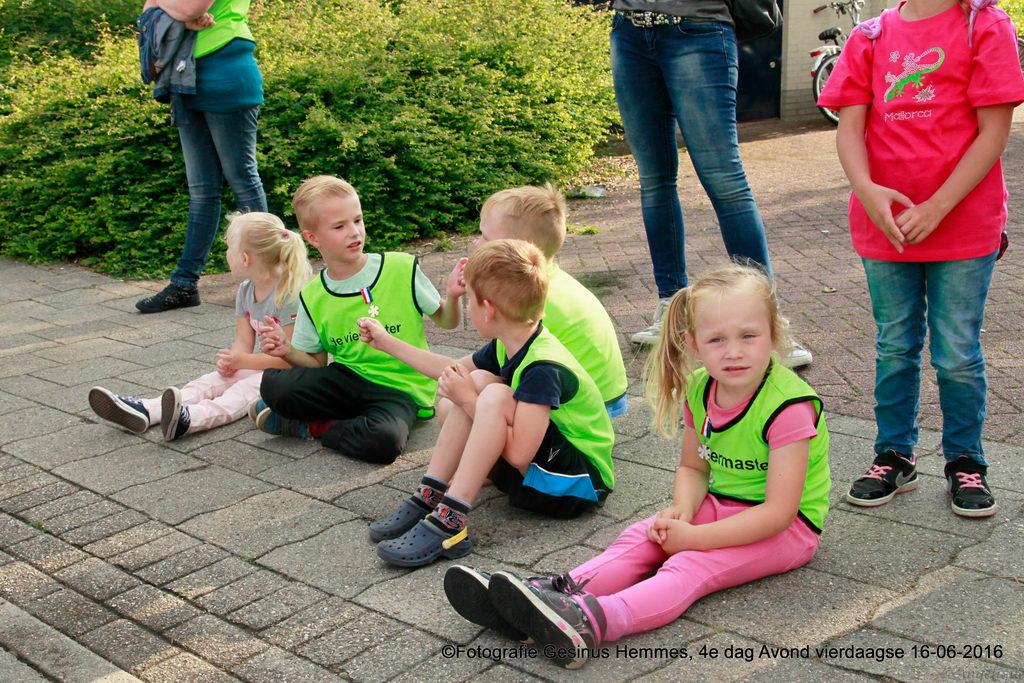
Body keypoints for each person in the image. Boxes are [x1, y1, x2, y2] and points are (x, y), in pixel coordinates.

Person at [443, 265, 830, 669]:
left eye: (748, 336)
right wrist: (682, 510)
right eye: (717, 339)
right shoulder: (701, 387)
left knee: (688, 564)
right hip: (722, 504)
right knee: (641, 537)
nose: (733, 351)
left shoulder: (788, 407)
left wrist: (695, 538)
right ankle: (554, 595)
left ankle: (593, 621)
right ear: (693, 343)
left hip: (787, 530)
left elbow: (779, 513)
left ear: (773, 334)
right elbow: (694, 469)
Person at [818, 0, 1024, 517]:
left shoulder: (985, 25)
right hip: (886, 225)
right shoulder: (869, 36)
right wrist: (867, 191)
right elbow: (849, 128)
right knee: (895, 345)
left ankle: (965, 460)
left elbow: (994, 132)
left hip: (963, 224)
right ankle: (894, 455)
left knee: (956, 352)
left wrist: (937, 207)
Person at [360, 240, 615, 568]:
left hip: (575, 487)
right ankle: (431, 491)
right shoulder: (512, 340)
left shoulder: (543, 368)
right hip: (543, 472)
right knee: (477, 380)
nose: (467, 309)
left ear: (488, 309)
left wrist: (468, 398)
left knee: (489, 394)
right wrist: (386, 342)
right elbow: (452, 370)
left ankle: (451, 520)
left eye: (469, 301)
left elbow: (519, 454)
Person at [250, 176, 464, 464]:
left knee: (384, 441)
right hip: (346, 380)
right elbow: (316, 364)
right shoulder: (312, 295)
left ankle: (311, 426)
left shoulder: (401, 267)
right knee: (274, 384)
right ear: (313, 238)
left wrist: (453, 297)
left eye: (358, 220)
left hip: (400, 389)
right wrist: (286, 350)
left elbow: (448, 322)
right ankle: (335, 418)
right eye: (339, 226)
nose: (354, 232)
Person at [90, 212, 309, 440]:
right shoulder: (246, 290)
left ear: (245, 258)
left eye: (229, 248)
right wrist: (232, 361)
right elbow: (243, 341)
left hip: (289, 376)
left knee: (240, 392)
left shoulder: (288, 296)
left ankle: (190, 419)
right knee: (210, 381)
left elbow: (288, 360)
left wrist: (244, 361)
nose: (226, 253)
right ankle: (148, 410)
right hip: (261, 364)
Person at [136, 0, 269, 313]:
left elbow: (190, 8)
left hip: (225, 72)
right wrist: (177, 14)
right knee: (201, 190)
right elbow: (147, 18)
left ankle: (270, 280)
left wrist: (174, 11)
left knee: (243, 181)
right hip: (185, 78)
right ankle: (184, 284)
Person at [472, 185, 629, 417]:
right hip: (608, 397)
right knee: (476, 385)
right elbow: (472, 365)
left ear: (515, 249)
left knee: (481, 395)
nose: (477, 244)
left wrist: (464, 397)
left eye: (485, 237)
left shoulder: (531, 299)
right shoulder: (547, 281)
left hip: (587, 411)